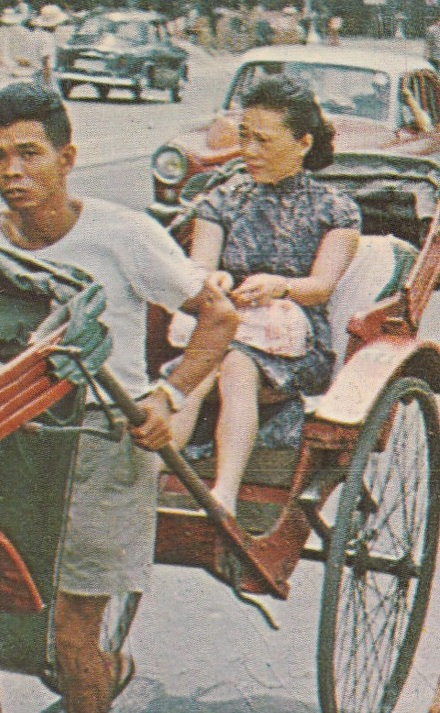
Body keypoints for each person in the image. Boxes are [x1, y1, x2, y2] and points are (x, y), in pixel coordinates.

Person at [0, 83, 237, 713]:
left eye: (27, 154)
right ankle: (102, 675)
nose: (10, 171)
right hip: (17, 442)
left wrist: (168, 397)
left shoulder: (121, 235)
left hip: (102, 437)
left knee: (70, 629)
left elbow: (217, 317)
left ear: (66, 158)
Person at [174, 76, 359, 511]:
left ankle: (224, 491)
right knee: (196, 369)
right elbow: (199, 268)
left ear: (302, 142)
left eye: (263, 140)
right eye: (244, 137)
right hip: (225, 323)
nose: (249, 151)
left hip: (293, 342)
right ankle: (154, 474)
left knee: (237, 364)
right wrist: (213, 280)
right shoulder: (222, 200)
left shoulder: (335, 208)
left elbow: (321, 287)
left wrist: (281, 286)